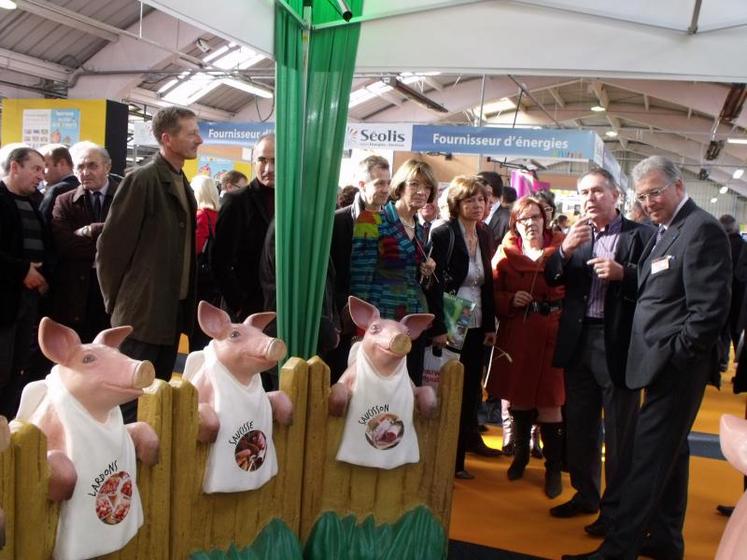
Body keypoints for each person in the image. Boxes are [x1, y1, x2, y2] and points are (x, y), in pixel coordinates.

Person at [564, 156, 732, 560]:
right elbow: (663, 286)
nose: (650, 201)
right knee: (671, 457)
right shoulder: (668, 229)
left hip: (674, 368)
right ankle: (666, 540)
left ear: (677, 186)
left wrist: (676, 356)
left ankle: (618, 549)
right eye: (643, 195)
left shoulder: (701, 229)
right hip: (658, 363)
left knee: (646, 460)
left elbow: (709, 311)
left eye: (656, 192)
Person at [545, 168, 654, 537]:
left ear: (616, 195)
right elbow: (551, 276)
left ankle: (617, 509)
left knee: (621, 432)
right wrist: (563, 249)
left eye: (596, 191)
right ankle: (585, 494)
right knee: (579, 426)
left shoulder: (642, 235)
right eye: (584, 193)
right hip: (578, 343)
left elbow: (659, 285)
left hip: (618, 344)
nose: (589, 199)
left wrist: (627, 274)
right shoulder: (576, 235)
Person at [97, 106, 201, 389]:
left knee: (159, 397)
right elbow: (110, 250)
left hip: (168, 315)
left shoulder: (181, 182)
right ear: (167, 139)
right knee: (134, 399)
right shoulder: (142, 180)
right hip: (141, 317)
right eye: (192, 133)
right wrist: (119, 305)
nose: (199, 139)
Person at [486, 196, 565, 498]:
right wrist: (509, 300)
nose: (529, 223)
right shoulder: (504, 254)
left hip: (550, 334)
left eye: (535, 217)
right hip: (517, 332)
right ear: (515, 224)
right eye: (522, 219)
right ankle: (520, 456)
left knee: (550, 403)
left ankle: (553, 468)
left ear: (545, 219)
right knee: (517, 399)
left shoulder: (564, 249)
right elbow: (492, 293)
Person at [429, 176, 499, 479]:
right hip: (451, 317)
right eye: (470, 200)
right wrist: (439, 324)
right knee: (447, 388)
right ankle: (445, 459)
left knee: (470, 389)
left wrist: (490, 324)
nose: (477, 205)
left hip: (477, 318)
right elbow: (433, 283)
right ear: (457, 204)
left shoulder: (484, 235)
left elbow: (489, 282)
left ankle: (462, 452)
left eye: (481, 200)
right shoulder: (443, 232)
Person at [349, 158, 438, 385]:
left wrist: (427, 269)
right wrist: (363, 327)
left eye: (427, 187)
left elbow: (412, 273)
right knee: (378, 384)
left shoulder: (420, 226)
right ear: (399, 187)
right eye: (415, 185)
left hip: (413, 318)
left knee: (409, 384)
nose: (421, 192)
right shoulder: (371, 219)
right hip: (382, 316)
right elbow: (360, 278)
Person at [328, 155, 391, 382]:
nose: (385, 189)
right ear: (362, 185)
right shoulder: (338, 222)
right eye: (379, 183)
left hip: (381, 317)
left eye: (388, 182)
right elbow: (332, 274)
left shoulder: (390, 221)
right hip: (347, 318)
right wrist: (341, 309)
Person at [50, 142, 118, 343]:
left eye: (92, 165)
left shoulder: (126, 197)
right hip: (77, 292)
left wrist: (91, 230)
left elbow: (132, 237)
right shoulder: (64, 201)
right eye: (80, 167)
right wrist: (109, 242)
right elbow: (65, 245)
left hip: (114, 290)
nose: (85, 172)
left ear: (107, 166)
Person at [0, 147, 49, 418]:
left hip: (27, 301)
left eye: (43, 170)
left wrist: (43, 277)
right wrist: (23, 271)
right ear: (15, 167)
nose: (41, 176)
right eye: (36, 169)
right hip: (5, 302)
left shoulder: (33, 203)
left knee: (19, 368)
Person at [212, 134, 275, 321]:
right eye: (262, 160)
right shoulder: (237, 201)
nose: (268, 168)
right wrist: (238, 303)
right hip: (245, 310)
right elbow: (219, 260)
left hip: (279, 308)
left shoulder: (292, 203)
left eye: (275, 161)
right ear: (254, 162)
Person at [190, 174, 221, 351]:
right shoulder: (218, 214)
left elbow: (195, 248)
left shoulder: (201, 216)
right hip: (214, 280)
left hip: (201, 281)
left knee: (199, 329)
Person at [719, 214, 744, 369]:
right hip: (740, 299)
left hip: (720, 296)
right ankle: (741, 367)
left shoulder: (718, 246)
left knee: (720, 331)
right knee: (737, 332)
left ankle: (720, 363)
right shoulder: (744, 246)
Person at [39, 144, 79, 225]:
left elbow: (42, 223)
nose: (41, 173)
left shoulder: (56, 190)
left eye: (46, 166)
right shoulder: (85, 189)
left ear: (62, 163)